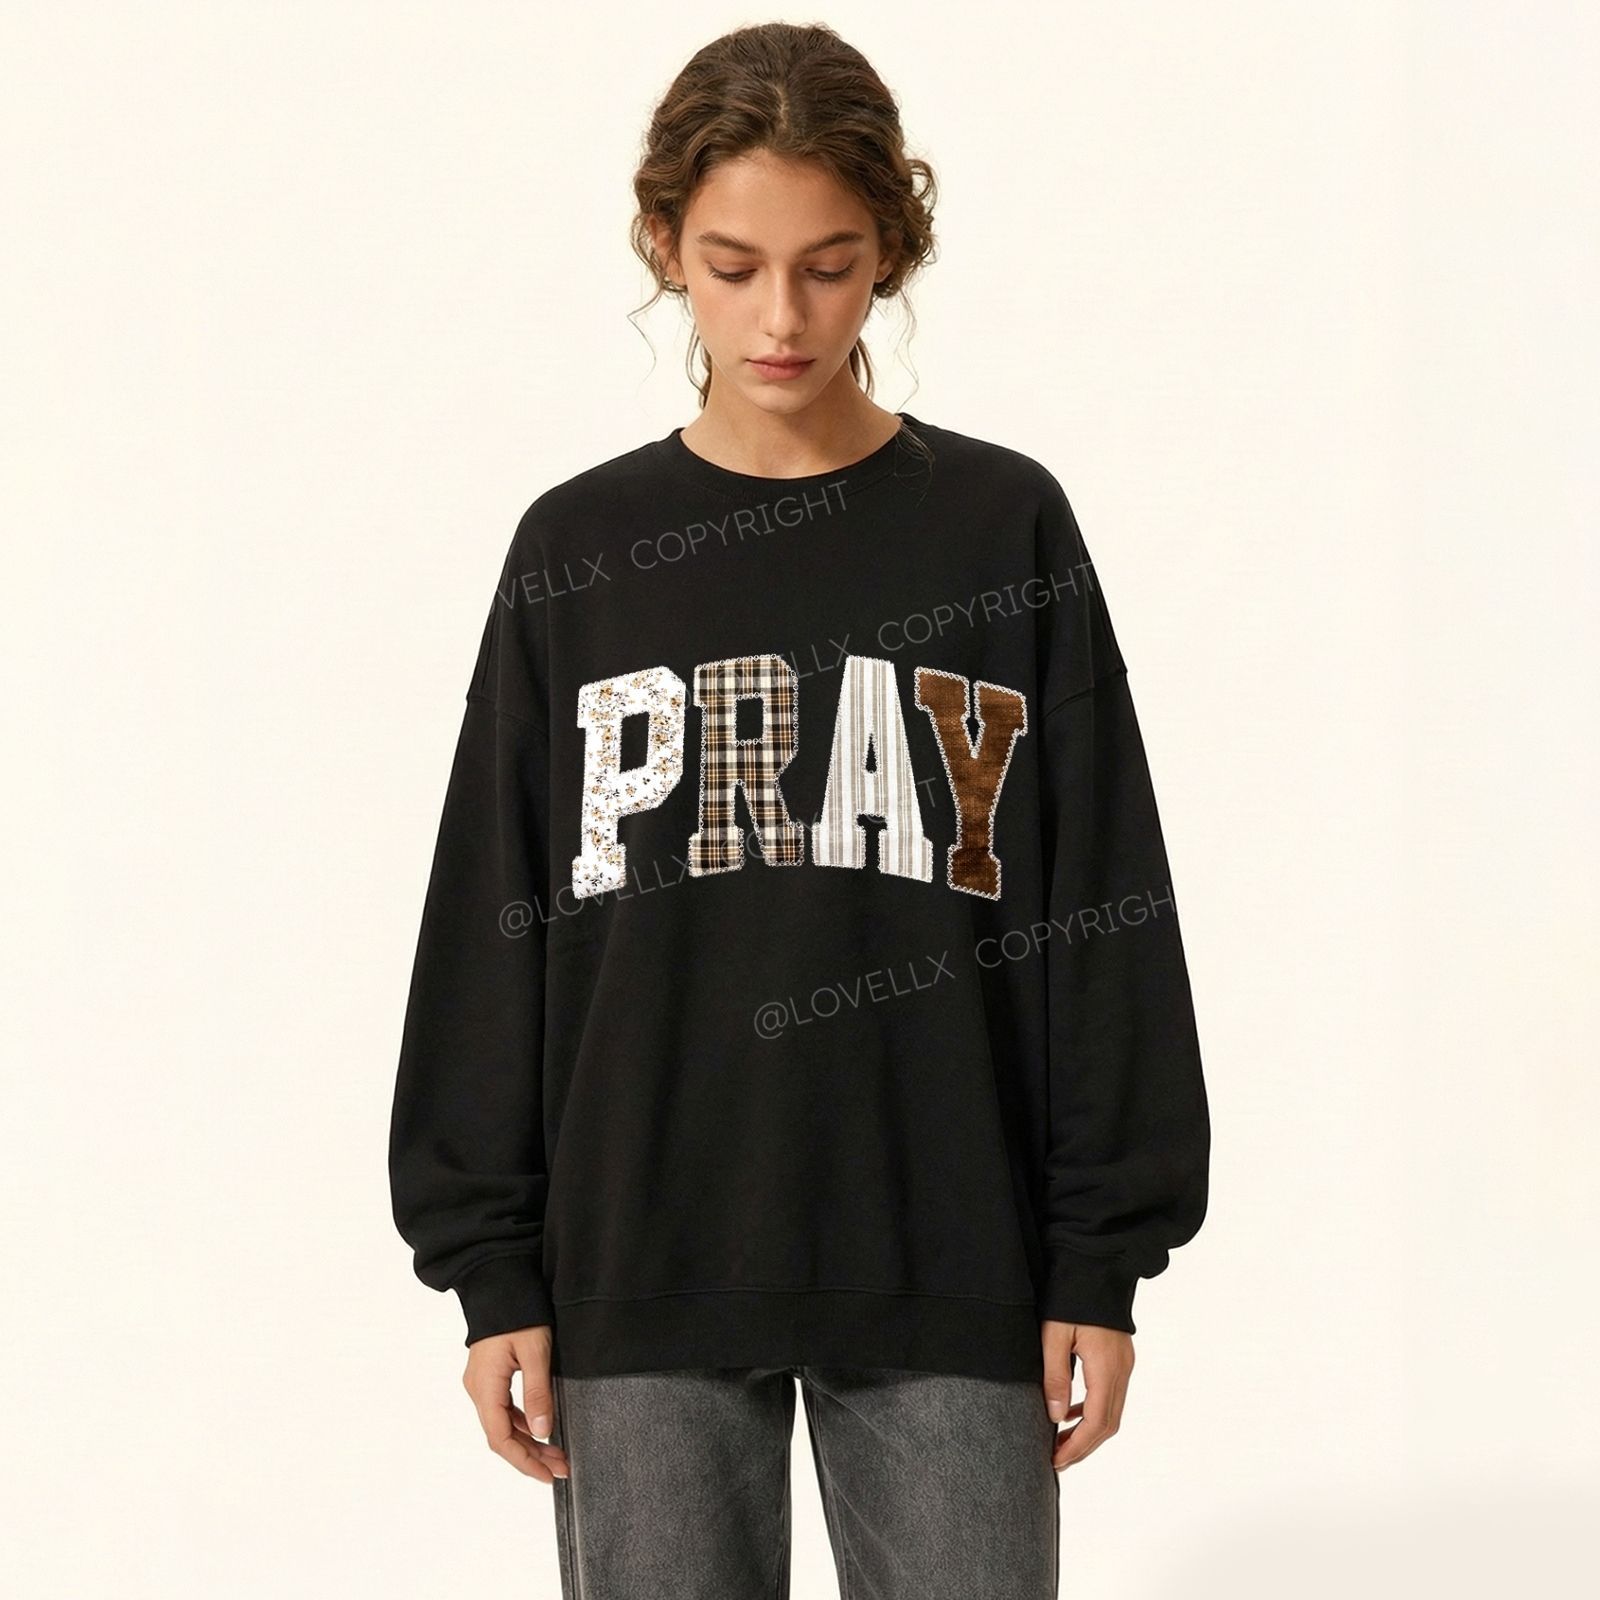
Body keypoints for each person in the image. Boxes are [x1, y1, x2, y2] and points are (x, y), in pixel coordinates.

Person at [388, 21, 1210, 1599]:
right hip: (641, 1259)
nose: (782, 317)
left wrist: (1101, 1257)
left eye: (830, 268)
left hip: (950, 1253)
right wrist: (491, 1270)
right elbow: (495, 922)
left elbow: (1100, 902)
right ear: (663, 247)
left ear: (889, 250)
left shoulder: (1000, 526)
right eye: (735, 265)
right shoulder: (583, 549)